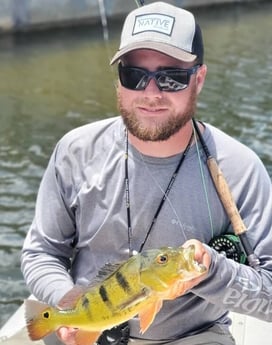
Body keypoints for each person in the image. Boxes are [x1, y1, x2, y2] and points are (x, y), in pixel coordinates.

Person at [21, 2, 272, 345]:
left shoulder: (239, 169)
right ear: (119, 78)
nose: (151, 93)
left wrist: (212, 270)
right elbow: (41, 252)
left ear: (198, 79)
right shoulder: (74, 152)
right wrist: (67, 298)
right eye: (134, 76)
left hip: (193, 336)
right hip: (85, 331)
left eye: (171, 78)